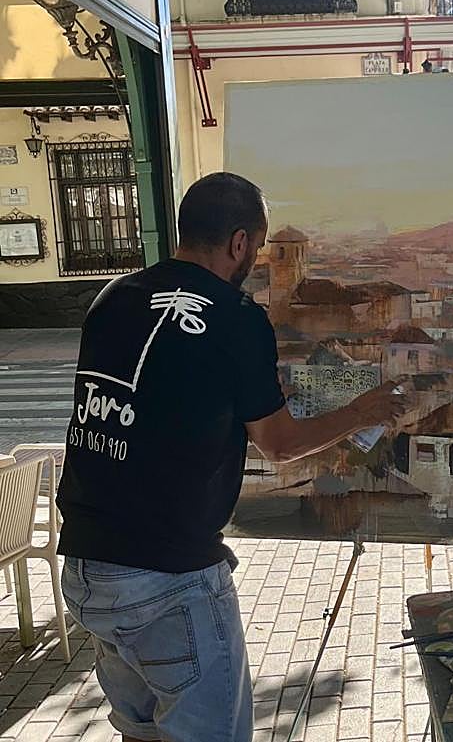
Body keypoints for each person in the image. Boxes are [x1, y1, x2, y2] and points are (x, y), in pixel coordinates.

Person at [57, 172, 409, 742]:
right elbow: (279, 444)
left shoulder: (112, 298)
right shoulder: (235, 316)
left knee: (139, 731)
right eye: (260, 245)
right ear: (239, 242)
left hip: (86, 569)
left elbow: (158, 397)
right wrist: (360, 412)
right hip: (167, 582)